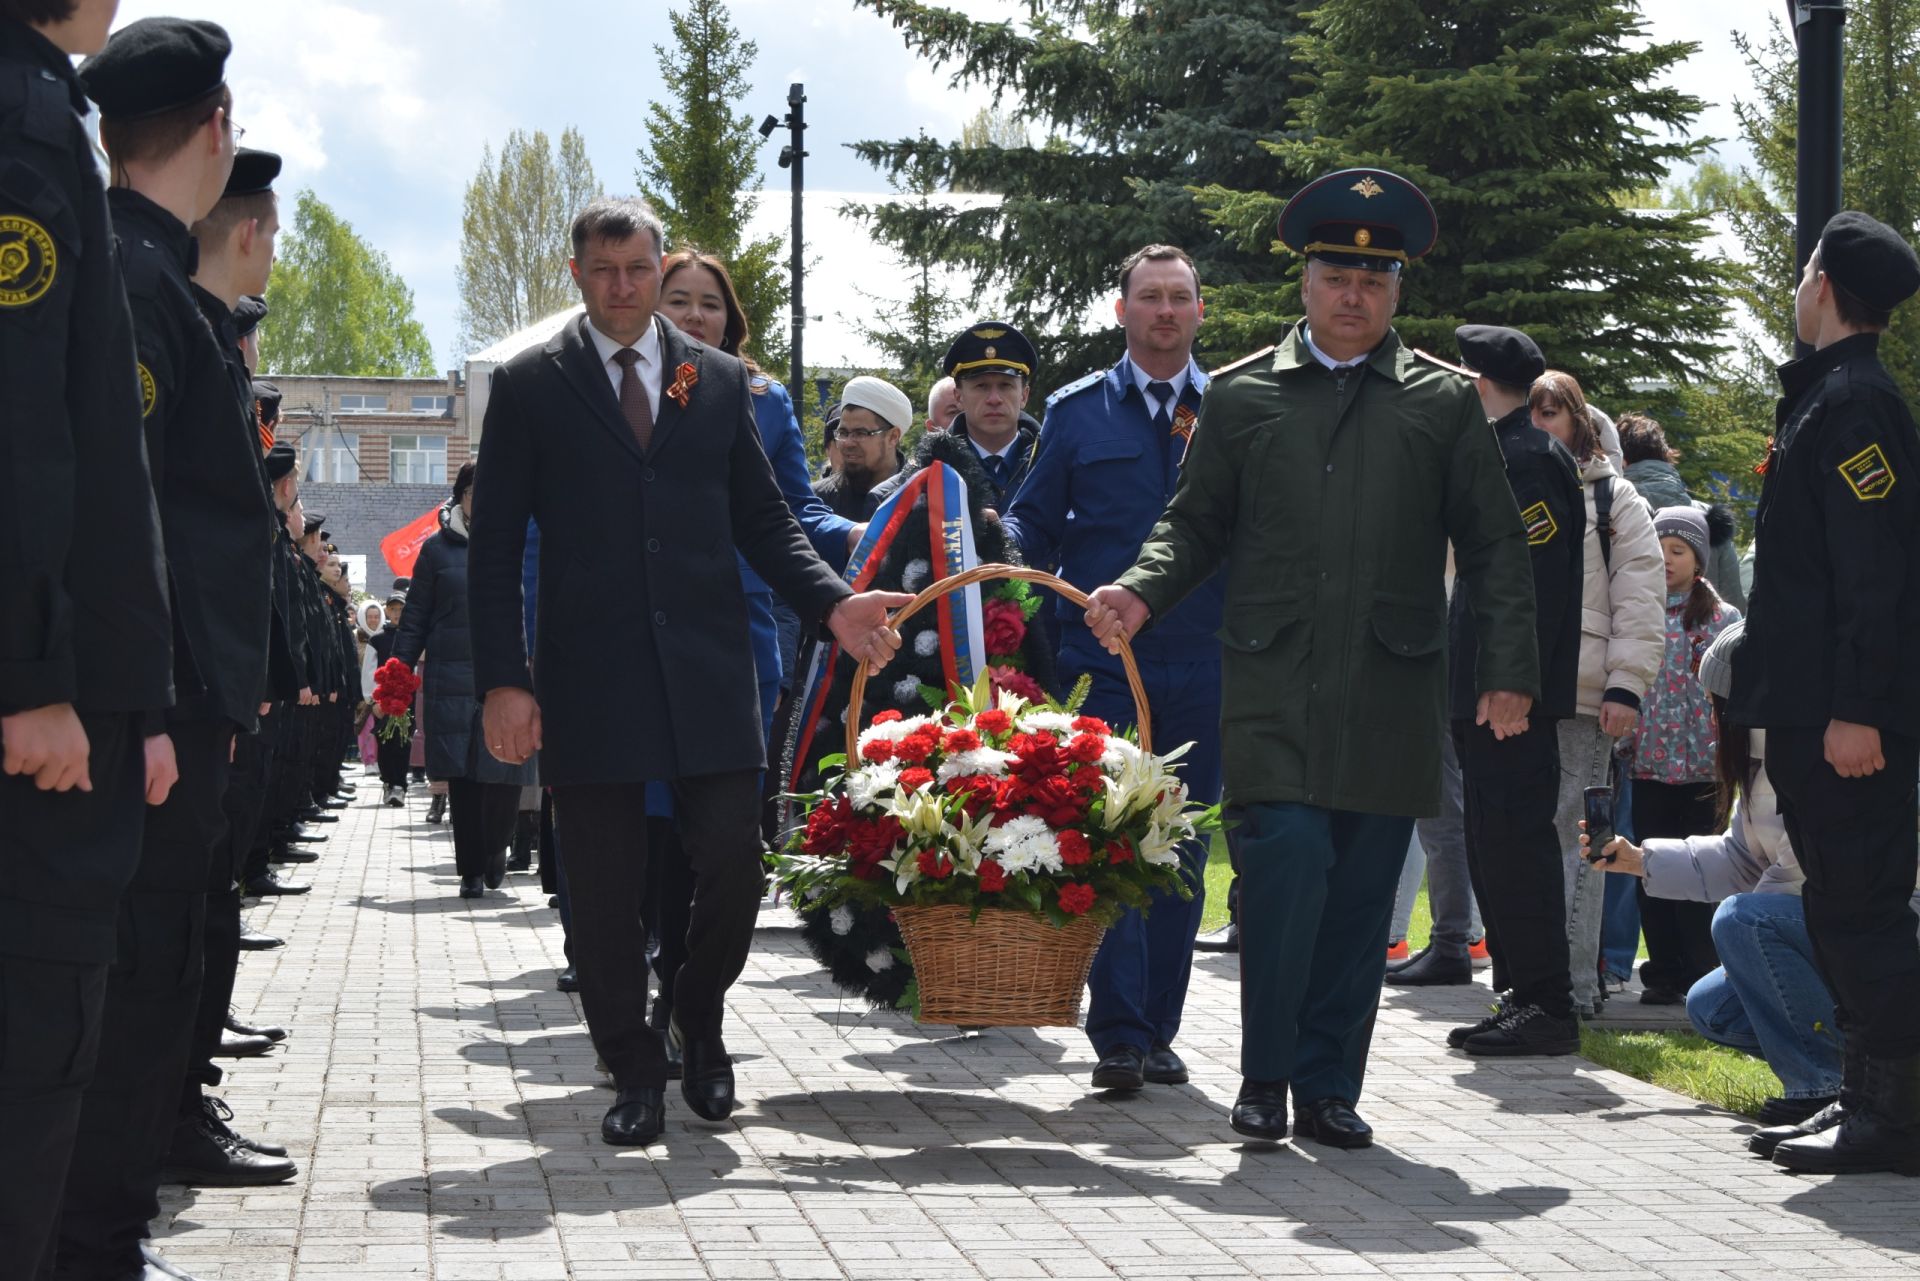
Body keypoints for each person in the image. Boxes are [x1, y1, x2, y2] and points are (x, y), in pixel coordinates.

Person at [1084, 169, 1539, 1147]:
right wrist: (1141, 588)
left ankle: (1331, 1086)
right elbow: (1193, 523)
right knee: (1285, 870)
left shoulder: (1442, 403)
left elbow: (1497, 542)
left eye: (1375, 280)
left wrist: (1507, 665)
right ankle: (1265, 1077)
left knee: (1362, 892)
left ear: (1396, 291)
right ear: (1308, 282)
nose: (1354, 293)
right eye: (1338, 273)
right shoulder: (1245, 396)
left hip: (1390, 685)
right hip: (1274, 682)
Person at [467, 196, 907, 1148]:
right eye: (604, 272)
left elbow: (766, 518)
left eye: (637, 270)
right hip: (590, 679)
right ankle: (633, 1067)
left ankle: (695, 1013)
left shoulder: (715, 384)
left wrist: (834, 604)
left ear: (657, 268)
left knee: (736, 868)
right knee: (603, 887)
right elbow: (496, 544)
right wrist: (506, 677)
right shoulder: (533, 386)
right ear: (578, 277)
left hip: (709, 672)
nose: (622, 289)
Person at [59, 18, 284, 1278]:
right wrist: (150, 700)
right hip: (156, 703)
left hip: (173, 694)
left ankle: (100, 1227)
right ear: (215, 127)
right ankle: (95, 1240)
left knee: (152, 966)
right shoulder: (137, 284)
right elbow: (128, 501)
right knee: (136, 979)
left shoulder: (141, 275)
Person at [0, 1, 176, 1271]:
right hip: (40, 721)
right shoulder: (20, 118)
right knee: (31, 1047)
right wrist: (32, 676)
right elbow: (23, 425)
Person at [1001, 244, 1223, 1092]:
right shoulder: (1075, 413)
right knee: (1109, 839)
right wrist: (1007, 557)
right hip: (1099, 662)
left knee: (1184, 846)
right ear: (1121, 310)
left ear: (1201, 312)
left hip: (1207, 659)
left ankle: (1157, 1027)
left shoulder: (1233, 409)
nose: (1166, 311)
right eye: (1150, 298)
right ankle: (1120, 1032)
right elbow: (1030, 521)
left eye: (1180, 298)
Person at [1732, 211, 1920, 1176]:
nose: (1798, 288)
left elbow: (1875, 575)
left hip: (1849, 722)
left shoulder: (1856, 407)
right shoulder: (1826, 397)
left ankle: (1896, 1115)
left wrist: (1860, 708)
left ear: (1823, 285)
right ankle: (1862, 1095)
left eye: (1805, 272)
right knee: (1837, 913)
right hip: (1811, 712)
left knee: (1863, 916)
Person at [1391, 328, 1581, 1054]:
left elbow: (1532, 590)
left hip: (1510, 701)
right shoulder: (1502, 453)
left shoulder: (1528, 462)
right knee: (1491, 844)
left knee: (1516, 846)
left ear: (1475, 382)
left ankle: (1546, 1002)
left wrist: (1512, 685)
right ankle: (1521, 994)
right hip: (1480, 691)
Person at [1525, 370, 1665, 1015]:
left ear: (1577, 419)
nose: (1539, 422)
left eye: (1550, 411)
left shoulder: (1616, 500)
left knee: (1576, 842)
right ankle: (1529, 984)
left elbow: (1641, 600)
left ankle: (1575, 988)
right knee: (1514, 841)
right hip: (1512, 694)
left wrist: (1625, 687)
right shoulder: (1503, 485)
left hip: (1585, 697)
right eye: (1531, 411)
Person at [393, 464, 535, 898]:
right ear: (461, 496)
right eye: (477, 490)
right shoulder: (436, 551)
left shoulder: (517, 544)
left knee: (506, 772)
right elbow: (415, 614)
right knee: (465, 779)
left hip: (508, 675)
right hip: (451, 677)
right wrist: (397, 671)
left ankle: (496, 850)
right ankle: (471, 869)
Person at [1618, 506, 1740, 1005]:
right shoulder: (1637, 609)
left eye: (1678, 550)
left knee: (1702, 871)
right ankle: (1664, 968)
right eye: (1659, 549)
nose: (1667, 559)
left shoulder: (1723, 618)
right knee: (1650, 870)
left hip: (1704, 770)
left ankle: (1701, 969)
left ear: (1699, 559)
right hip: (1649, 764)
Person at [869, 321, 1042, 511]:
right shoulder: (913, 484)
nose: (994, 399)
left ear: (1024, 396)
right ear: (959, 397)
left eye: (1005, 385)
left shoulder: (1053, 466)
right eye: (981, 386)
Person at [1617, 412, 1745, 611]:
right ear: (1666, 458)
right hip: (1711, 637)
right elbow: (1733, 598)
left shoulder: (1611, 514)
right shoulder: (1706, 518)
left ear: (1622, 461)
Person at [814, 380, 908, 519]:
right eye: (843, 433)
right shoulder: (817, 502)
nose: (848, 443)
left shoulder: (921, 497)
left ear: (893, 437)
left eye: (860, 433)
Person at [369, 591, 413, 806]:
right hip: (383, 701)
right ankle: (388, 782)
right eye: (393, 609)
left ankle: (400, 785)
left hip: (407, 699)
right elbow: (368, 673)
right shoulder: (377, 640)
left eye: (401, 609)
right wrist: (372, 701)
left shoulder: (412, 638)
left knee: (404, 741)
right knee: (385, 741)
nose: (397, 613)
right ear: (387, 610)